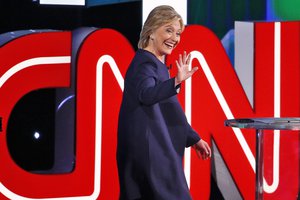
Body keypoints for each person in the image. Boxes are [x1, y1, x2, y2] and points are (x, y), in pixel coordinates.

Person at [117, 5, 211, 200]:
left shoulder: (157, 63)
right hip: (150, 152)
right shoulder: (145, 62)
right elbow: (146, 95)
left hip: (154, 148)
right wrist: (176, 81)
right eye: (168, 30)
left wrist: (193, 138)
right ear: (151, 31)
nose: (175, 38)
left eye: (177, 33)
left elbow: (169, 109)